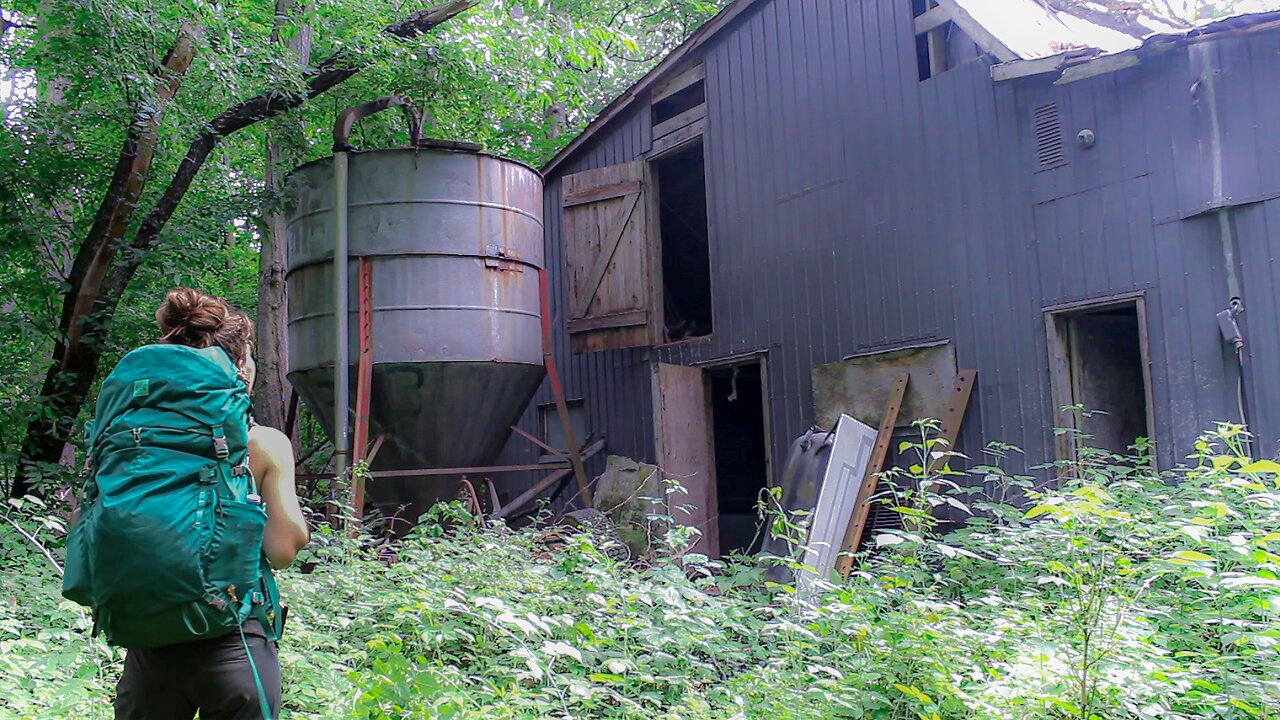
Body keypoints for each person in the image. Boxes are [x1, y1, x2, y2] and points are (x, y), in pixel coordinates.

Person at [111, 289, 310, 720]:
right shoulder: (260, 443)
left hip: (148, 645)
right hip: (233, 642)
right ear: (240, 367)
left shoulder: (130, 439)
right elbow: (283, 550)